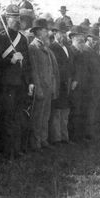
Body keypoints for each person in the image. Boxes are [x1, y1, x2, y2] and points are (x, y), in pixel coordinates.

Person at [0, 4, 33, 158]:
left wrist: (30, 82)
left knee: (18, 118)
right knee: (8, 118)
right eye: (13, 17)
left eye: (18, 18)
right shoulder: (1, 38)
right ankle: (7, 152)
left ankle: (16, 150)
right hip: (7, 85)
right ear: (7, 19)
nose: (16, 21)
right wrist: (10, 60)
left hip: (21, 84)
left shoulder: (22, 39)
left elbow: (28, 64)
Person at [28, 18, 59, 151]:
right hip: (40, 87)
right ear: (38, 32)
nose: (47, 32)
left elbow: (51, 69)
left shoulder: (45, 47)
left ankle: (43, 139)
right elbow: (34, 70)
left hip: (48, 86)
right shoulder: (33, 48)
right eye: (45, 30)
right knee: (38, 116)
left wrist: (52, 86)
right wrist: (38, 88)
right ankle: (36, 143)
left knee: (46, 115)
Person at [48, 22, 77, 145]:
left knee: (65, 111)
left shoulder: (68, 48)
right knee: (57, 112)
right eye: (61, 33)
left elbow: (72, 65)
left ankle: (65, 137)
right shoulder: (52, 48)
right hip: (58, 83)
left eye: (65, 33)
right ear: (55, 33)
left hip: (68, 83)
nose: (63, 35)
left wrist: (74, 79)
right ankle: (56, 138)